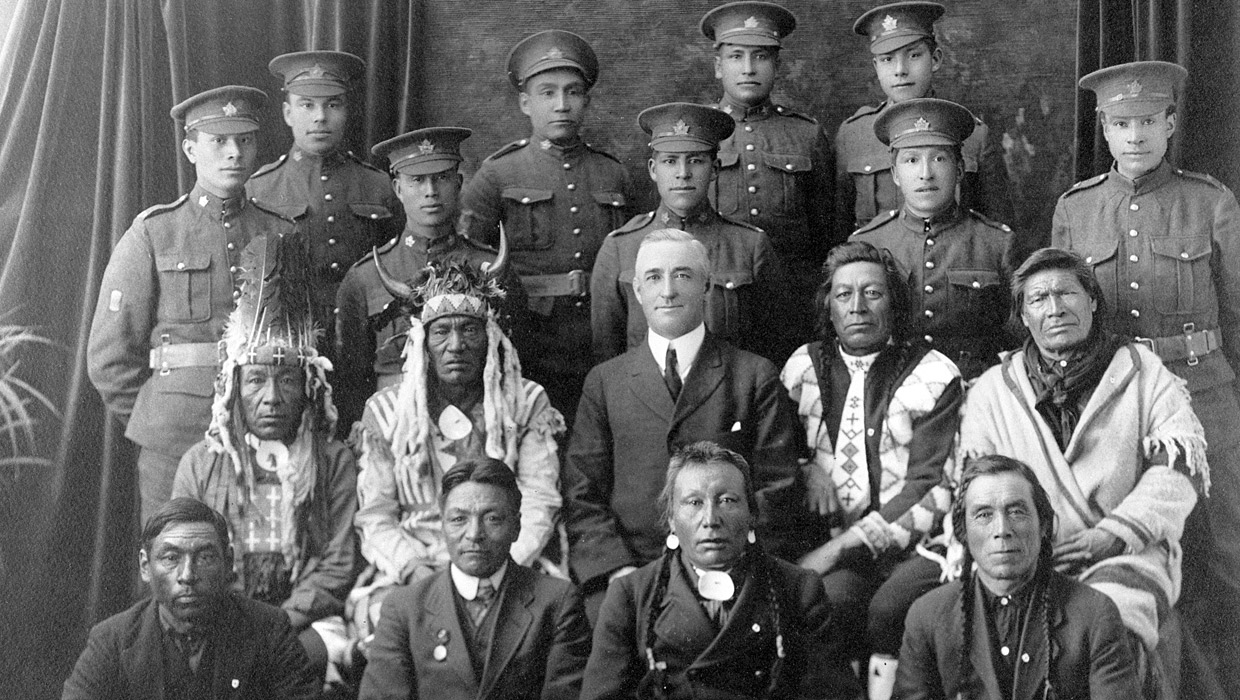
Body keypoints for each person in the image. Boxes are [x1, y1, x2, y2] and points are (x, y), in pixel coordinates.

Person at [1050, 60, 1240, 693]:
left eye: (1149, 122)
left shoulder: (1209, 202)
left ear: (1172, 124)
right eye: (1121, 123)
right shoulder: (1077, 209)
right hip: (1118, 398)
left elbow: (1237, 310)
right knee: (1130, 538)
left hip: (1203, 390)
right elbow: (1062, 309)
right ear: (1103, 128)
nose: (1135, 136)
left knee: (1224, 541)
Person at [956, 247, 1206, 695]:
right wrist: (1031, 548)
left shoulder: (1142, 372)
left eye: (1067, 293)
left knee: (1112, 620)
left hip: (1126, 552)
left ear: (1092, 300)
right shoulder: (994, 389)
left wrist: (1111, 534)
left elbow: (1178, 469)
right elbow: (975, 486)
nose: (1055, 308)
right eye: (1038, 299)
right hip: (1020, 556)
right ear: (1023, 316)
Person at [567, 228, 801, 618]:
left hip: (732, 571)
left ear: (707, 286)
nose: (669, 291)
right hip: (629, 572)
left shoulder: (752, 375)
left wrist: (731, 564)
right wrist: (618, 571)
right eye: (654, 278)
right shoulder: (605, 383)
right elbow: (581, 493)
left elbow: (778, 486)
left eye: (683, 275)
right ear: (637, 291)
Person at [87, 86, 295, 523]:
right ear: (190, 149)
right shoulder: (154, 233)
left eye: (244, 140)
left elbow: (301, 342)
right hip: (174, 441)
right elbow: (109, 358)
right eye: (219, 142)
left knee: (262, 566)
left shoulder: (281, 233)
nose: (233, 153)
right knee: (177, 560)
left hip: (265, 434)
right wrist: (159, 417)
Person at [171, 233, 361, 684]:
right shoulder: (201, 464)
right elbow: (187, 557)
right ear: (234, 389)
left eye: (287, 381)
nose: (272, 398)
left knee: (310, 662)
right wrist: (240, 618)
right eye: (256, 380)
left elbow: (339, 563)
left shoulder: (332, 461)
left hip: (305, 622)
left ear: (310, 387)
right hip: (220, 618)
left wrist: (281, 620)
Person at [779, 240, 962, 699]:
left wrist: (842, 547)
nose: (857, 307)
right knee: (830, 602)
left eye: (873, 293)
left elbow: (932, 483)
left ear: (894, 303)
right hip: (833, 544)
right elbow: (776, 451)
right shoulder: (802, 367)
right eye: (844, 295)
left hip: (918, 547)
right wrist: (804, 465)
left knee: (889, 609)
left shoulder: (934, 374)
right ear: (829, 305)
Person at [351, 253, 563, 637]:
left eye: (469, 329)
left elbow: (539, 501)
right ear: (422, 343)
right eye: (441, 331)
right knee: (387, 623)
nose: (456, 345)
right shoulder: (385, 413)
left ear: (490, 336)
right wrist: (415, 569)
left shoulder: (525, 403)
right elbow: (375, 516)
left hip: (507, 564)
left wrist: (500, 568)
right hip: (416, 565)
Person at [580, 441, 859, 699]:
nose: (710, 520)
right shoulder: (631, 596)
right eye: (694, 502)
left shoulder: (798, 589)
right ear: (671, 519)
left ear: (751, 515)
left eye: (727, 500)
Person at [460, 29, 634, 426]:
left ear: (586, 101)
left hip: (602, 338)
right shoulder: (497, 174)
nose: (561, 105)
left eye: (572, 92)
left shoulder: (614, 174)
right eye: (547, 93)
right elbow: (469, 263)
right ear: (525, 102)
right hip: (529, 341)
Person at [895, 455, 1141, 699]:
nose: (1001, 530)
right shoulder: (927, 617)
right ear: (964, 532)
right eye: (983, 515)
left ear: (1043, 525)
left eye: (1016, 512)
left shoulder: (1094, 615)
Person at [335, 127, 525, 436]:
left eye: (442, 178)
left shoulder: (491, 267)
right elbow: (353, 378)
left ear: (459, 183)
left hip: (482, 427)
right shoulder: (365, 277)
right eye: (417, 180)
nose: (431, 191)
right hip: (393, 428)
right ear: (397, 188)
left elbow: (514, 362)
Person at [359, 458, 592, 700]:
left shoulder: (557, 602)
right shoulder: (403, 608)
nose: (474, 535)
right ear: (443, 526)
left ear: (517, 527)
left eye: (492, 519)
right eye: (459, 519)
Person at [61, 498, 320, 699]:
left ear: (228, 562)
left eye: (205, 557)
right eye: (171, 558)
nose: (187, 575)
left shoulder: (270, 630)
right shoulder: (111, 641)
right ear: (144, 566)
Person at [248, 50, 404, 384]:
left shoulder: (378, 186)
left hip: (367, 347)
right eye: (307, 105)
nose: (320, 117)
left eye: (333, 105)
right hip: (290, 352)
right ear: (288, 113)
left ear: (348, 112)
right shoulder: (260, 189)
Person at [591, 102, 784, 363]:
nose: (683, 174)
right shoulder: (620, 248)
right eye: (670, 161)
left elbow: (772, 349)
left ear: (714, 169)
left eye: (695, 160)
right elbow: (607, 357)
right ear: (653, 170)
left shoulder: (749, 246)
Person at [700, 1, 835, 360]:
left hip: (794, 305)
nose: (748, 68)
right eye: (735, 57)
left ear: (776, 65)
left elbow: (827, 234)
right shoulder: (699, 135)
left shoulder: (805, 135)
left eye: (760, 56)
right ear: (718, 66)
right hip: (717, 303)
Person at [851, 97, 1016, 380]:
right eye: (912, 160)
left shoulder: (996, 244)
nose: (925, 174)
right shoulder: (868, 244)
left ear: (960, 169)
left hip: (972, 392)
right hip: (889, 393)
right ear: (895, 174)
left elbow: (1017, 340)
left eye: (939, 158)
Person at [835, 1, 1012, 238]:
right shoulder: (854, 135)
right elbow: (837, 232)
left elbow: (997, 233)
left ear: (935, 59)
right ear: (876, 66)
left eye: (914, 55)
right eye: (887, 59)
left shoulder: (973, 134)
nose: (900, 70)